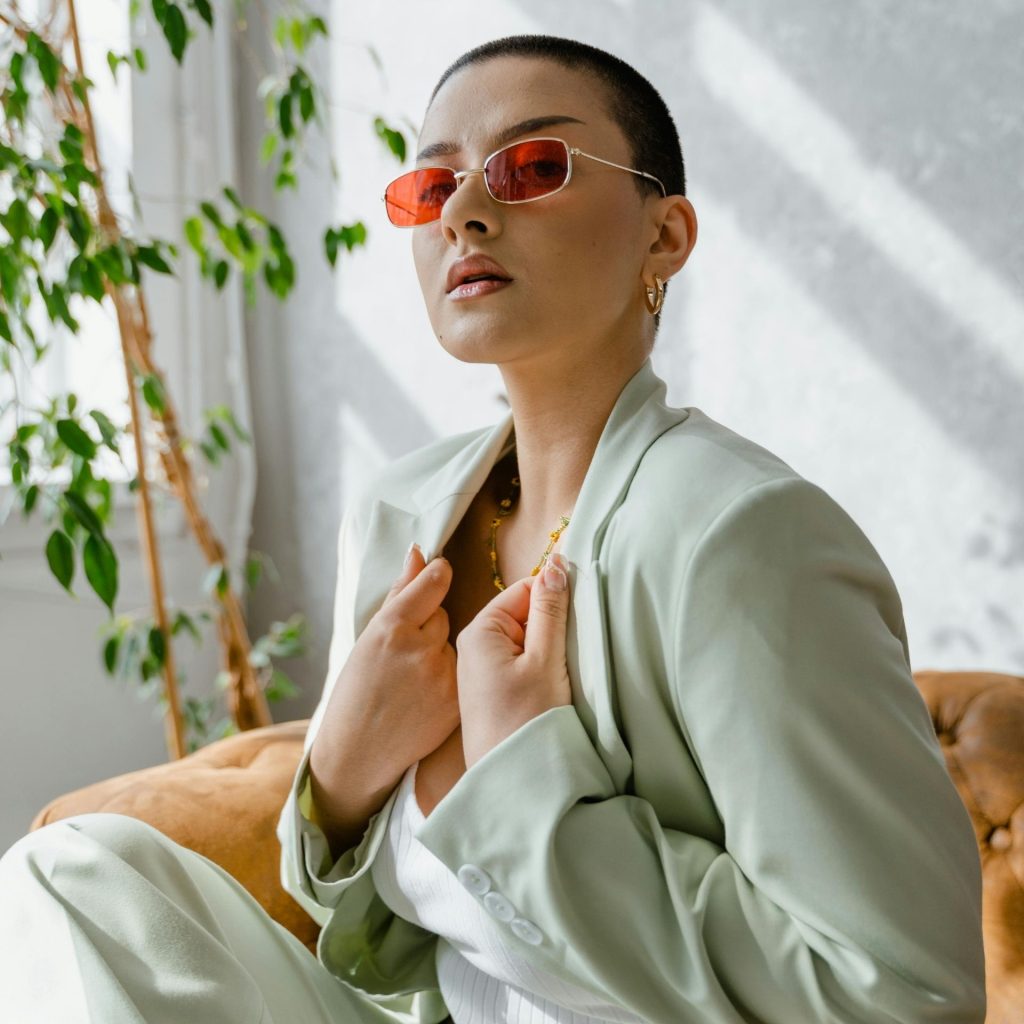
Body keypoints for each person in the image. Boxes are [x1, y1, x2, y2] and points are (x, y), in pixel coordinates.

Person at [0, 32, 986, 1024]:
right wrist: (338, 778)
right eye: (432, 187)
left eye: (531, 167)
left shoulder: (741, 537)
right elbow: (384, 955)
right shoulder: (399, 515)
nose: (465, 212)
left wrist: (519, 792)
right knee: (74, 874)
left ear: (665, 235)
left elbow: (900, 993)